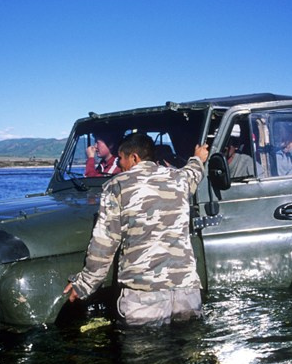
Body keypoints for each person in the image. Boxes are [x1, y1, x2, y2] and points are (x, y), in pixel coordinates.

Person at [64, 133, 209, 326]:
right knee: (188, 351)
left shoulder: (116, 186)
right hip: (186, 293)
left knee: (144, 354)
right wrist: (198, 157)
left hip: (144, 297)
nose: (120, 164)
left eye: (121, 158)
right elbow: (194, 171)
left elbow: (104, 243)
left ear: (134, 157)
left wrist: (84, 284)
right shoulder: (179, 178)